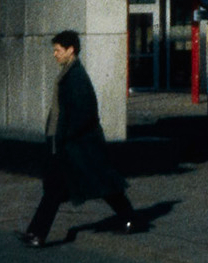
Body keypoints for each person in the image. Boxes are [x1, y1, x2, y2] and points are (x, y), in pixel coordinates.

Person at [19, 30, 139, 248]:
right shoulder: (67, 73)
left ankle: (130, 218)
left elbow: (84, 113)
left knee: (104, 185)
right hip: (67, 145)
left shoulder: (76, 77)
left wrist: (65, 137)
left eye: (57, 50)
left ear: (70, 50)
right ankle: (36, 234)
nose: (54, 54)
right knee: (57, 189)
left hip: (79, 147)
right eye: (54, 50)